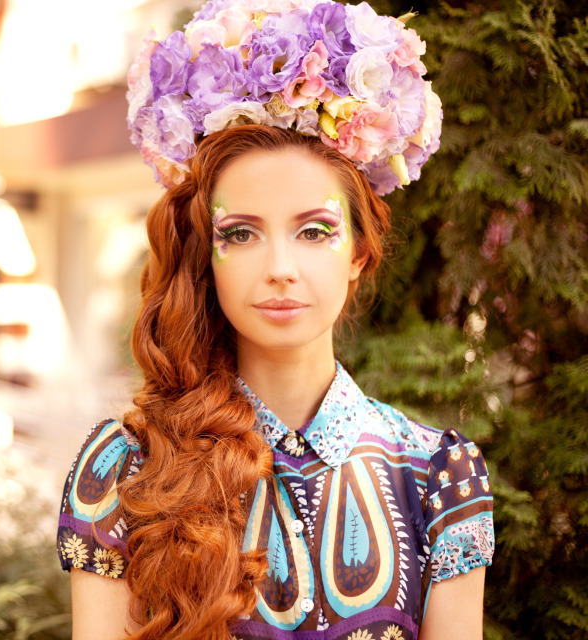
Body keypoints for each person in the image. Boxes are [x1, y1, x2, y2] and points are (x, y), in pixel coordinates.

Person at [56, 3, 494, 640]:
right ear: (207, 258)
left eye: (315, 231)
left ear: (359, 253)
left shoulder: (438, 477)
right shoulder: (124, 469)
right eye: (241, 234)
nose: (281, 268)